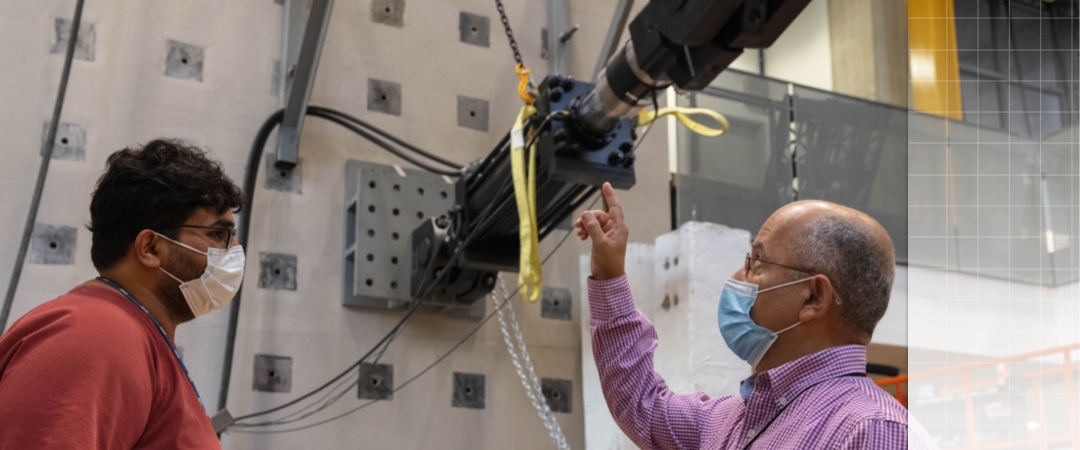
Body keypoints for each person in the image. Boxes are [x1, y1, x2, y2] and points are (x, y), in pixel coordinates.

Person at [575, 182, 907, 449]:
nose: (737, 275)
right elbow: (642, 405)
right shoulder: (732, 421)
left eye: (756, 263)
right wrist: (609, 275)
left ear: (812, 297)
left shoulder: (871, 430)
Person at [0, 140, 245, 449]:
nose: (234, 250)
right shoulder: (97, 335)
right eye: (218, 235)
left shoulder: (132, 336)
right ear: (151, 248)